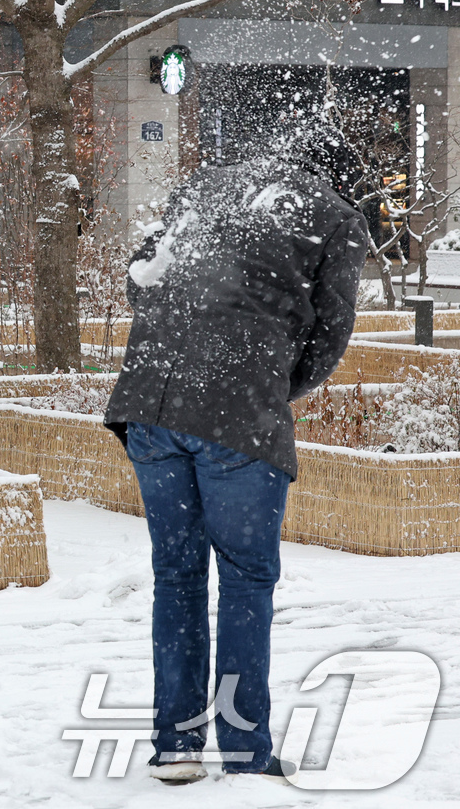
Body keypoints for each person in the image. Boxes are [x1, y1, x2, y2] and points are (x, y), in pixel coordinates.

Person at [104, 123, 369, 783]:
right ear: (336, 176)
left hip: (150, 402)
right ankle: (247, 752)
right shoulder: (334, 217)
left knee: (179, 574)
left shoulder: (206, 186)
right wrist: (269, 388)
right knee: (246, 579)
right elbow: (331, 336)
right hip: (236, 414)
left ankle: (177, 744)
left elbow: (141, 284)